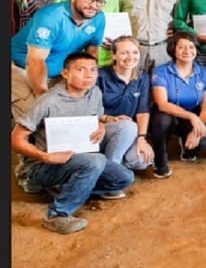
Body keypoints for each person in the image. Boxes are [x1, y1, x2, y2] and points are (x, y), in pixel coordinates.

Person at [11, 52, 135, 234]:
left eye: (93, 70)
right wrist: (46, 156)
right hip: (44, 165)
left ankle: (67, 188)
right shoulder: (49, 101)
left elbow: (96, 114)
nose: (89, 75)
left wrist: (101, 123)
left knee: (124, 178)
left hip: (78, 158)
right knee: (96, 161)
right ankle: (56, 215)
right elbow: (16, 139)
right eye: (81, 70)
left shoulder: (94, 92)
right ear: (65, 74)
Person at [11, 0, 107, 121]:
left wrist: (85, 87)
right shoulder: (51, 17)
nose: (93, 5)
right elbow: (35, 60)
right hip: (22, 68)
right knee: (37, 118)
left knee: (68, 116)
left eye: (99, 1)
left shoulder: (99, 18)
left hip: (60, 73)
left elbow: (91, 54)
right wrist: (44, 99)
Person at [150, 32, 206, 179]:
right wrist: (192, 117)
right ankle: (160, 161)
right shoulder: (160, 71)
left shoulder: (205, 73)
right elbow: (162, 104)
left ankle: (187, 149)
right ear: (173, 50)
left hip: (190, 118)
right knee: (162, 121)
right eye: (182, 47)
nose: (187, 51)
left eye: (191, 47)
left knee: (203, 141)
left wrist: (197, 127)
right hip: (168, 114)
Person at [96, 36, 153, 171]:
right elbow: (90, 109)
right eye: (124, 53)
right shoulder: (100, 76)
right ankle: (111, 175)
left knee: (142, 160)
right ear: (114, 55)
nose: (130, 57)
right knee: (128, 126)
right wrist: (108, 119)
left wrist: (141, 138)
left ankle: (108, 164)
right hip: (102, 128)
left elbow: (142, 111)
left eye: (134, 52)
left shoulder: (142, 77)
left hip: (129, 131)